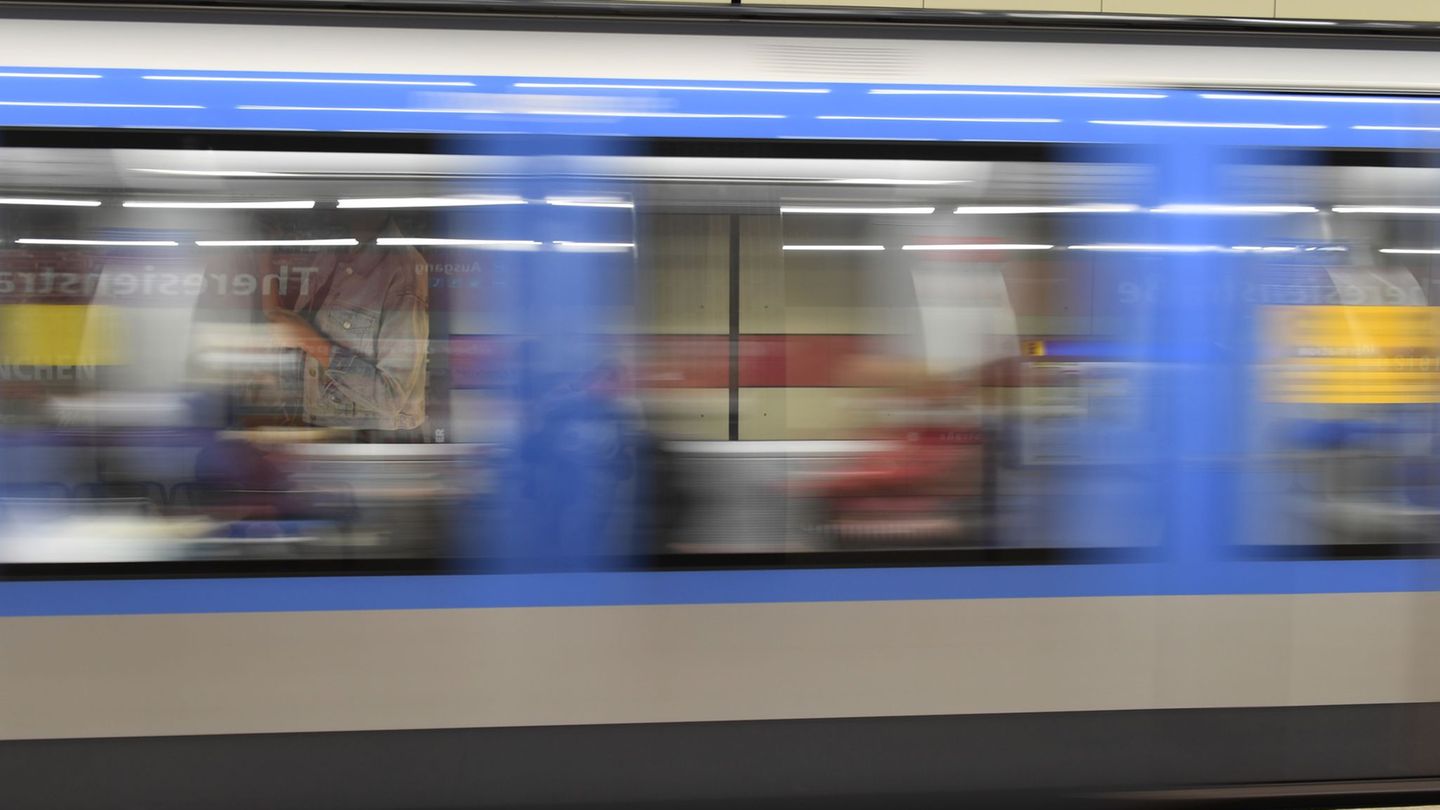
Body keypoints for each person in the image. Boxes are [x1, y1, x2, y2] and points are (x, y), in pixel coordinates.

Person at [262, 214, 429, 433]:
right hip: (322, 427)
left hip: (373, 441)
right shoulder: (332, 252)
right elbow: (290, 329)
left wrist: (310, 342)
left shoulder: (403, 270)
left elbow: (392, 397)